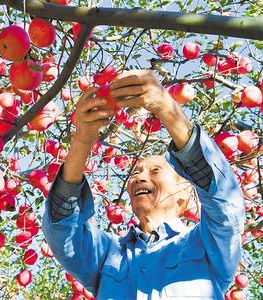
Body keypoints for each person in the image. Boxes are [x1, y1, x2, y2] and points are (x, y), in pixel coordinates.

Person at [42, 70, 245, 299]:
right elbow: (62, 233)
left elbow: (226, 204)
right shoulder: (107, 253)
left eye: (155, 170)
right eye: (136, 172)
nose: (139, 177)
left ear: (185, 192)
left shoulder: (207, 244)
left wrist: (167, 109)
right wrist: (82, 140)